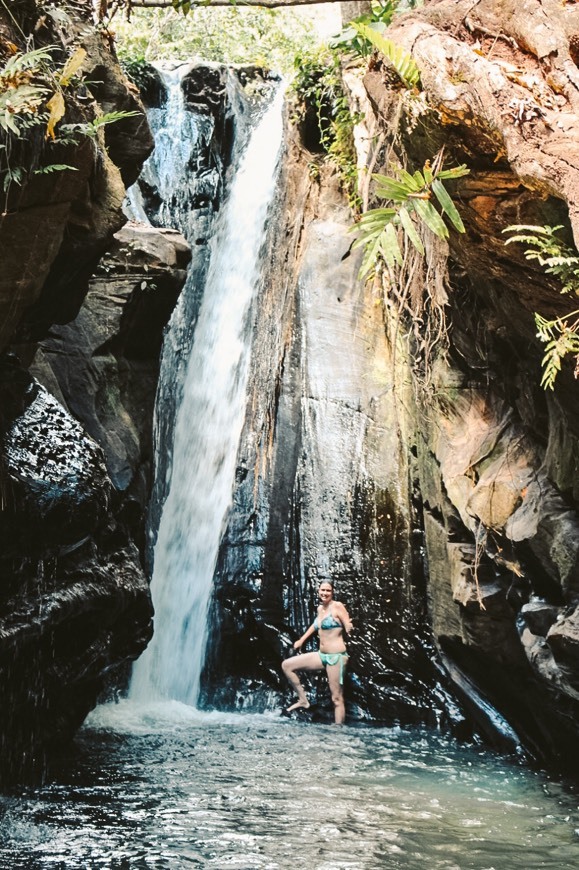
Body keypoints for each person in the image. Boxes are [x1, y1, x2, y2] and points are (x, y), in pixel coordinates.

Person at [282, 580, 353, 725]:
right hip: (321, 655)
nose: (325, 593)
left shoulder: (337, 606)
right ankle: (303, 700)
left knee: (337, 698)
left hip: (336, 657)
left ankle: (338, 731)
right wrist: (301, 640)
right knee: (287, 665)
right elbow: (315, 625)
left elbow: (347, 622)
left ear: (332, 593)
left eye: (328, 591)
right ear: (318, 591)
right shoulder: (321, 609)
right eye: (323, 590)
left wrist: (348, 626)